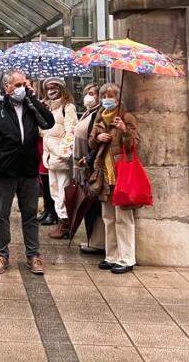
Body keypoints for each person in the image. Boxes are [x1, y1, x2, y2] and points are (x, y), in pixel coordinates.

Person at [0, 70, 53, 276]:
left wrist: (33, 98)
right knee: (2, 215)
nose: (21, 88)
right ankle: (2, 254)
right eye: (17, 85)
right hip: (4, 171)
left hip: (28, 169)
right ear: (6, 87)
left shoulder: (29, 106)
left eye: (24, 84)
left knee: (30, 215)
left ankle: (33, 255)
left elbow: (49, 122)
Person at [89, 82, 139, 275]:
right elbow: (92, 142)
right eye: (104, 96)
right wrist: (98, 138)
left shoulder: (126, 117)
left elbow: (133, 144)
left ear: (118, 99)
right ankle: (111, 255)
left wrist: (124, 130)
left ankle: (126, 258)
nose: (107, 99)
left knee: (123, 218)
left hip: (121, 174)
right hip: (104, 174)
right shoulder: (100, 116)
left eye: (111, 96)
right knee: (108, 217)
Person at [42, 78, 78, 240]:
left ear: (61, 88)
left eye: (54, 87)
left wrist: (63, 152)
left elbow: (71, 131)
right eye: (48, 88)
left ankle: (65, 223)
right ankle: (61, 220)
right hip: (49, 156)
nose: (51, 90)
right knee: (54, 190)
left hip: (61, 156)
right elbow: (43, 131)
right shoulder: (47, 107)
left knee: (63, 191)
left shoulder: (68, 107)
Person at [74, 83, 105, 255]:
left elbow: (93, 139)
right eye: (86, 92)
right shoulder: (89, 112)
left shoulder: (99, 114)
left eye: (92, 93)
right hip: (83, 165)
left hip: (91, 164)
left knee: (94, 206)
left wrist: (89, 158)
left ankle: (97, 241)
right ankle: (92, 239)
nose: (88, 96)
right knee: (89, 206)